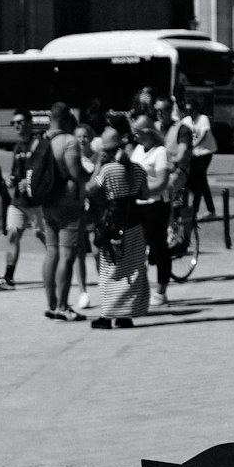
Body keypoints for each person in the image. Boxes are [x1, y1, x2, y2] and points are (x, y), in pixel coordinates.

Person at [86, 119, 149, 329]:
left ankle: (107, 316)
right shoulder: (138, 170)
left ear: (108, 150)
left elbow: (90, 190)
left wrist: (97, 166)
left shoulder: (108, 170)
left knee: (109, 270)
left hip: (112, 224)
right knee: (132, 270)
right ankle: (126, 315)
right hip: (135, 224)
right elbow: (145, 193)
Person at [41, 102, 88, 321]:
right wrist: (91, 172)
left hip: (46, 203)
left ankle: (51, 304)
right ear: (67, 118)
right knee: (67, 256)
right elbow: (76, 173)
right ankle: (62, 306)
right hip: (68, 204)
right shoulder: (68, 141)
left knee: (51, 253)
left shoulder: (40, 141)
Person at [0, 111, 39, 290]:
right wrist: (11, 179)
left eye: (20, 122)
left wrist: (30, 181)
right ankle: (8, 278)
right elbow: (15, 172)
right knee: (12, 234)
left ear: (29, 123)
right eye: (14, 123)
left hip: (37, 202)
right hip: (19, 202)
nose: (17, 126)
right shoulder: (18, 147)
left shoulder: (39, 145)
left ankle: (59, 267)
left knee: (44, 237)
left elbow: (44, 171)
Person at [131, 114, 172, 310]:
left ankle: (161, 290)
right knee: (138, 248)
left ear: (148, 132)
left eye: (138, 133)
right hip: (138, 204)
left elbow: (162, 181)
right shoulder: (138, 150)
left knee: (158, 247)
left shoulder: (161, 152)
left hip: (156, 204)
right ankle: (140, 288)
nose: (135, 137)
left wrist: (144, 190)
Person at [72, 122, 96, 312]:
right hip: (78, 208)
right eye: (78, 136)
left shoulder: (97, 157)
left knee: (98, 250)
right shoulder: (72, 158)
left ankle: (105, 285)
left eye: (85, 136)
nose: (81, 140)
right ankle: (83, 292)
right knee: (79, 250)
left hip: (96, 208)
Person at [182, 89, 216, 219]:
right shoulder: (185, 121)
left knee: (200, 179)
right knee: (202, 182)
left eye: (192, 110)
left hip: (206, 152)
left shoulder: (203, 119)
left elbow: (203, 135)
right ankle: (210, 210)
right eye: (188, 110)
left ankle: (194, 212)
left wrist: (191, 146)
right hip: (194, 154)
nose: (190, 113)